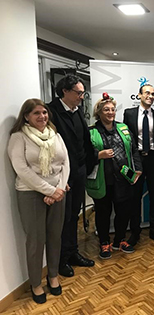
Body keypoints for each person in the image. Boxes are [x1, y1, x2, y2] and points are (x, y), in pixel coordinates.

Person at [8, 99, 70, 304]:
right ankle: (35, 283)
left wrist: (59, 189)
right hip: (30, 195)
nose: (42, 116)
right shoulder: (18, 138)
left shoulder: (56, 136)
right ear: (26, 116)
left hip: (58, 193)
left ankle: (53, 276)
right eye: (36, 113)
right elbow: (22, 170)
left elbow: (65, 162)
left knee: (55, 237)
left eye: (44, 112)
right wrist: (50, 190)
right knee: (35, 241)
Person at [48, 74, 95, 277]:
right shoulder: (51, 112)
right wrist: (61, 179)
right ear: (65, 92)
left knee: (73, 215)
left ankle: (72, 252)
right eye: (78, 93)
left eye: (83, 93)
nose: (81, 97)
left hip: (79, 172)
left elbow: (84, 141)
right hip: (61, 178)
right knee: (62, 219)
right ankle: (60, 260)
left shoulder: (77, 112)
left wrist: (88, 164)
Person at [86, 93, 142, 259]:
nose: (110, 112)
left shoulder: (123, 128)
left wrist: (137, 169)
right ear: (99, 112)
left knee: (123, 211)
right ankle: (104, 242)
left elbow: (133, 150)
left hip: (124, 178)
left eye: (112, 109)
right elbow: (84, 154)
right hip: (103, 180)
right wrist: (99, 155)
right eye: (106, 110)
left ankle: (120, 240)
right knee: (103, 212)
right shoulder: (91, 131)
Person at [124, 84, 154, 245]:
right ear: (139, 95)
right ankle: (135, 231)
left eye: (153, 94)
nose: (150, 96)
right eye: (147, 93)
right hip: (136, 160)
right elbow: (126, 138)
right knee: (134, 196)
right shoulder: (129, 114)